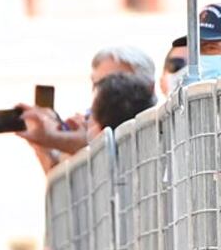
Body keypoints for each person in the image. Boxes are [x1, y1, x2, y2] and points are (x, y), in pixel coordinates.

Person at [17, 45, 156, 171]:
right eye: (98, 84)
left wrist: (56, 138)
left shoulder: (155, 126)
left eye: (118, 81)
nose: (106, 91)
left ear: (149, 87)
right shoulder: (87, 122)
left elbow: (110, 153)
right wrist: (44, 144)